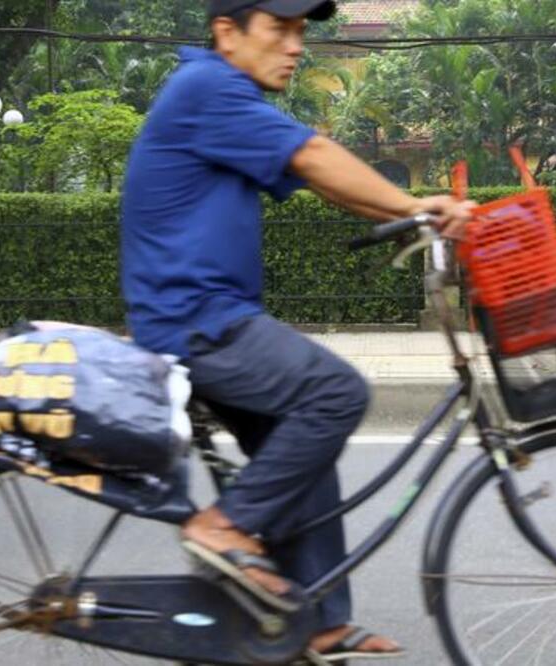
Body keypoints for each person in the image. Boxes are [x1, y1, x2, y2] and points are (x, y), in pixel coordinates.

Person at [119, 0, 474, 659]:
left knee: (301, 439)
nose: (294, 46)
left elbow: (318, 174)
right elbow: (313, 155)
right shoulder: (208, 87)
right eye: (278, 29)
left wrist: (399, 213)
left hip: (209, 317)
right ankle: (224, 528)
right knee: (333, 393)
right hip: (198, 324)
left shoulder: (225, 97)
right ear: (228, 32)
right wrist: (413, 203)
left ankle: (319, 622)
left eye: (301, 33)